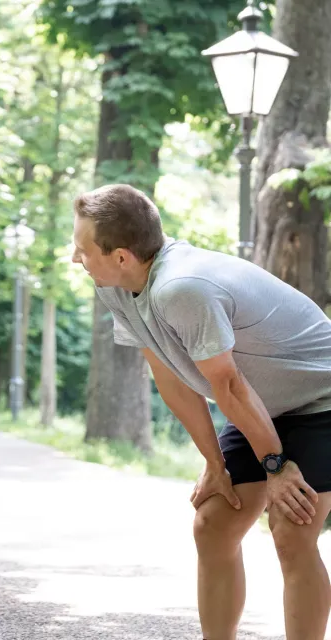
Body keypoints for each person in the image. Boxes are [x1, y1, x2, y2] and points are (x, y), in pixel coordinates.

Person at [71, 184, 331, 640]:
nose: (76, 258)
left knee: (291, 529)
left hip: (322, 398)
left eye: (83, 249)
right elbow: (169, 374)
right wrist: (215, 463)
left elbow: (227, 385)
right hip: (262, 404)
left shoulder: (180, 288)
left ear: (122, 256)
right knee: (211, 524)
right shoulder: (116, 287)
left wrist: (275, 466)